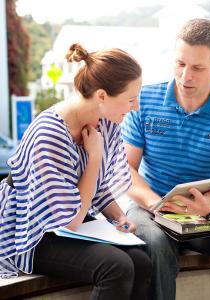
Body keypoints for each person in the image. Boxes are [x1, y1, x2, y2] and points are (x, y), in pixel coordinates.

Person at [121, 18, 210, 300]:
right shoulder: (144, 100)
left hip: (206, 211)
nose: (185, 76)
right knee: (153, 243)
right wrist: (156, 204)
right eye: (180, 63)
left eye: (198, 68)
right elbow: (126, 169)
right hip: (150, 205)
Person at [0, 43, 152, 299]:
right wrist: (94, 157)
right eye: (130, 99)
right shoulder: (48, 136)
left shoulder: (107, 121)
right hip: (31, 230)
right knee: (116, 267)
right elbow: (69, 221)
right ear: (102, 96)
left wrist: (118, 217)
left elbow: (98, 186)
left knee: (142, 261)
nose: (135, 107)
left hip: (69, 218)